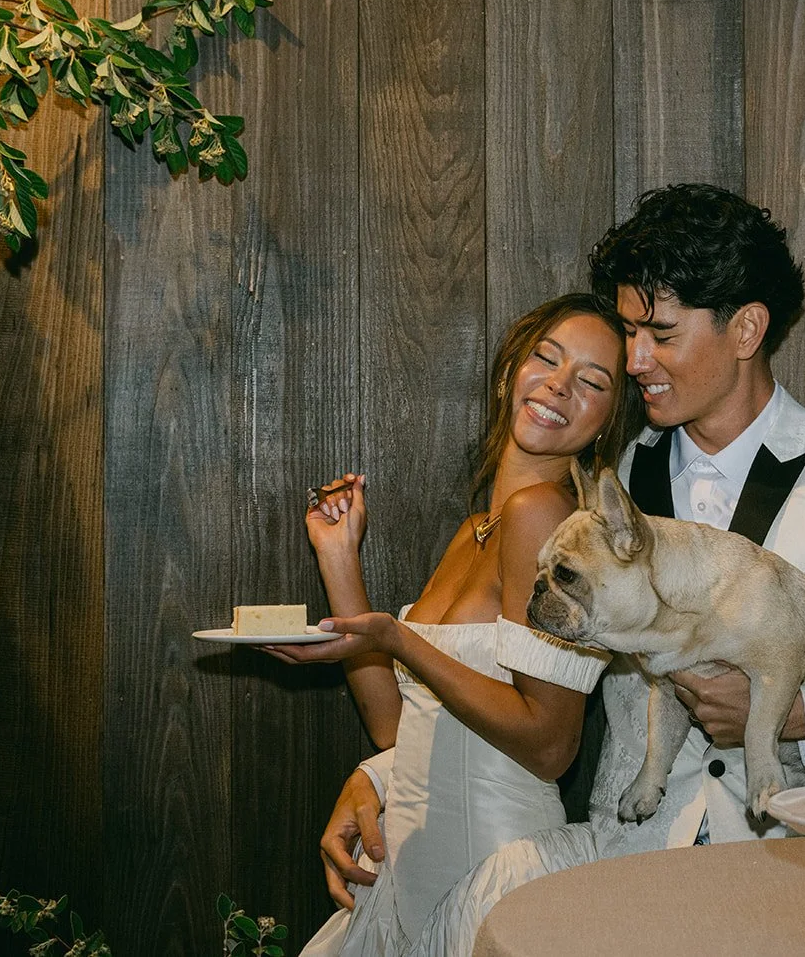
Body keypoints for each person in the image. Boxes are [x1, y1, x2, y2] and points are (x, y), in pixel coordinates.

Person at [322, 184, 805, 952]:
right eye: (629, 332)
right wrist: (385, 775)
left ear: (746, 328)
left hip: (800, 889)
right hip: (625, 881)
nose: (636, 359)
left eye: (660, 331)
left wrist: (796, 714)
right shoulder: (594, 494)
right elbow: (529, 693)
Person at [264, 293, 643, 957]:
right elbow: (397, 726)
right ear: (508, 375)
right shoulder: (477, 530)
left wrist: (398, 637)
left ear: (608, 421)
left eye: (592, 380)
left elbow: (552, 744)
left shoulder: (544, 515)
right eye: (546, 358)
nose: (559, 383)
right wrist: (339, 560)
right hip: (409, 881)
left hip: (493, 875)